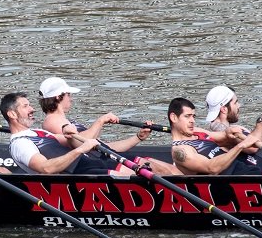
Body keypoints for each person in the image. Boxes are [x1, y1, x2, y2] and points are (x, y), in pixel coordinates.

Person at [35, 75, 173, 175]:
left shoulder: (65, 121)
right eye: (68, 94)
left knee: (166, 169)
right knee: (158, 169)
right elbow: (80, 144)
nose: (71, 98)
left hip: (105, 157)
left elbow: (107, 147)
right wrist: (100, 121)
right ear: (59, 97)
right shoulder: (52, 121)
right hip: (98, 163)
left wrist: (138, 137)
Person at [0, 91, 114, 175]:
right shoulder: (20, 144)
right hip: (79, 176)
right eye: (25, 106)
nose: (32, 109)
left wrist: (67, 132)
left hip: (89, 165)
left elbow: (68, 141)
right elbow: (46, 168)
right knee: (122, 173)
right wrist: (80, 150)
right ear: (12, 114)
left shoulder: (38, 132)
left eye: (30, 105)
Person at [167, 96, 262, 175]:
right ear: (174, 117)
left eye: (193, 116)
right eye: (187, 116)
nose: (192, 120)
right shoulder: (180, 151)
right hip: (232, 182)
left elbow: (221, 137)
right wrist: (240, 146)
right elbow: (211, 168)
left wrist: (228, 132)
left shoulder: (196, 131)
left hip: (242, 168)